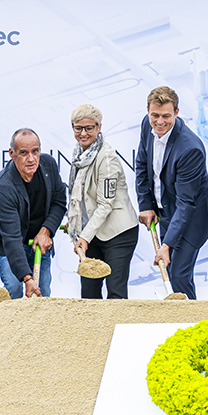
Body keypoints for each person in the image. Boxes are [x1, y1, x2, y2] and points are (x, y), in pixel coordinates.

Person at [135, 86, 208, 300]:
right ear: (148, 111)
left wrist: (166, 245)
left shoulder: (190, 149)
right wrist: (146, 205)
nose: (160, 122)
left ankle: (191, 323)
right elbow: (142, 163)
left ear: (177, 113)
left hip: (192, 219)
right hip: (166, 211)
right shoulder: (146, 125)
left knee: (178, 275)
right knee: (170, 271)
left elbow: (186, 203)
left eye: (166, 116)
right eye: (155, 115)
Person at [66, 105, 140, 299]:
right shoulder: (78, 153)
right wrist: (76, 225)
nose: (83, 133)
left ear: (99, 128)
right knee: (89, 294)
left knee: (115, 293)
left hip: (119, 233)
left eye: (89, 128)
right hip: (94, 234)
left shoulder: (107, 158)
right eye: (78, 128)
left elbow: (105, 204)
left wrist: (84, 237)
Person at [0, 128, 66, 298]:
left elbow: (59, 202)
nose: (31, 158)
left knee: (43, 292)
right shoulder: (2, 188)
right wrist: (27, 278)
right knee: (14, 290)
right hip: (8, 244)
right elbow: (11, 238)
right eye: (24, 153)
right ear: (12, 153)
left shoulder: (49, 165)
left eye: (35, 151)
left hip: (39, 242)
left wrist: (45, 230)